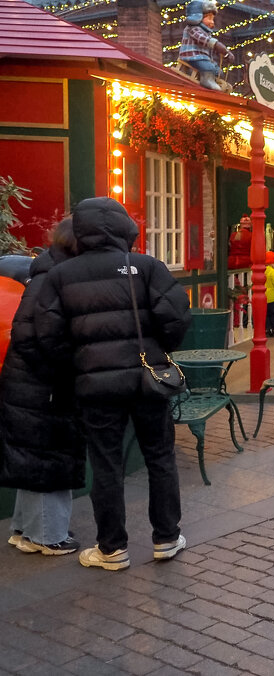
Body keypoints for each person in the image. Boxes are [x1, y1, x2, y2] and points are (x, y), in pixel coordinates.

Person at [35, 197, 192, 571]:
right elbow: (177, 319)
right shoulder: (147, 268)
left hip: (95, 388)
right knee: (160, 457)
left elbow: (48, 336)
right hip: (146, 381)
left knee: (106, 464)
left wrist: (78, 367)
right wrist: (157, 348)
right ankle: (167, 537)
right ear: (126, 229)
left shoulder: (61, 276)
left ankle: (111, 548)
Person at [1, 217, 85, 556]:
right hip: (46, 384)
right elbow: (49, 337)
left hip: (26, 382)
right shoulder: (59, 280)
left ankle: (24, 530)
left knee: (31, 456)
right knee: (50, 458)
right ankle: (47, 536)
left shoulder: (42, 272)